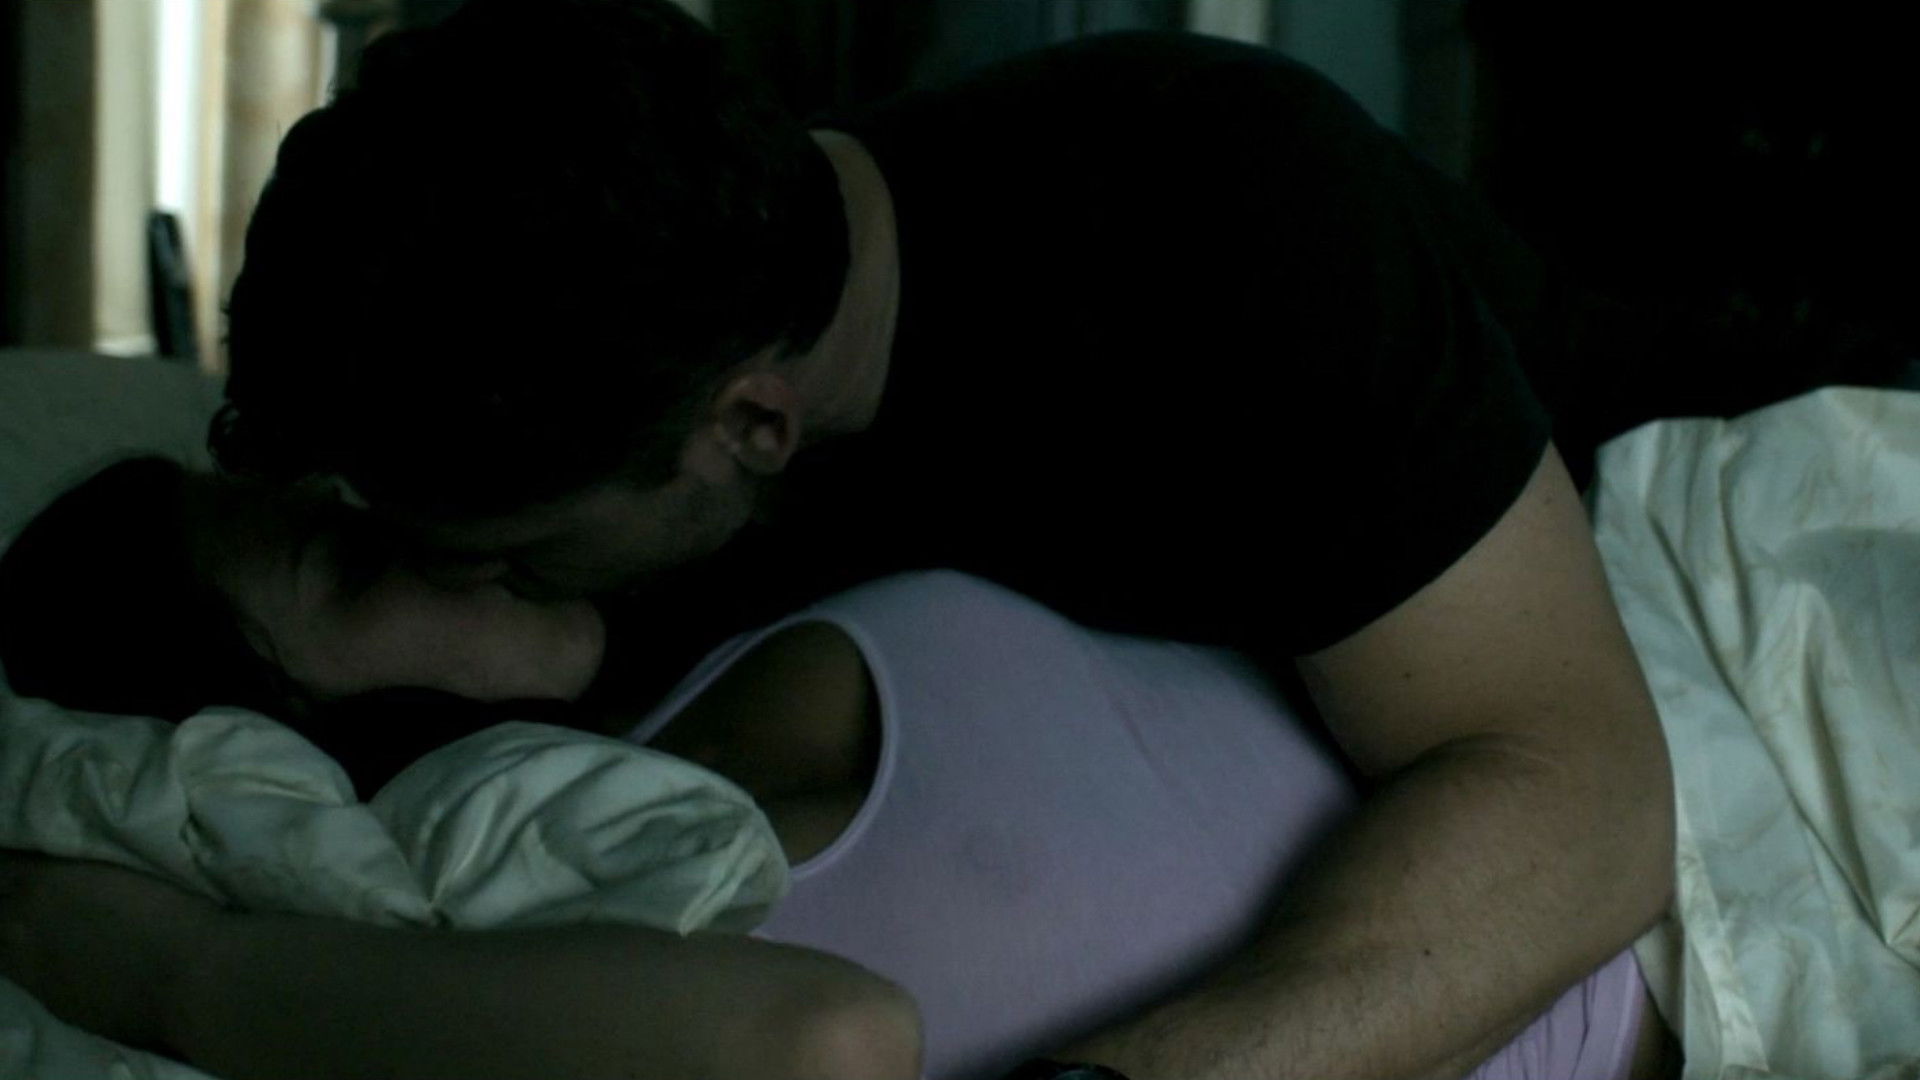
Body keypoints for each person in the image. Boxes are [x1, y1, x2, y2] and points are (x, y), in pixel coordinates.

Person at [24, 1, 1691, 1077]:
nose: (488, 583)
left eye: (520, 551)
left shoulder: (1224, 227)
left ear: (752, 424)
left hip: (1653, 574)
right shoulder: (612, 430)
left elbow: (1589, 799)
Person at [0, 459, 1682, 1080]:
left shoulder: (710, 610)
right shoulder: (501, 892)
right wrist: (183, 976)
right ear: (264, 739)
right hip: (1657, 948)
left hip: (1624, 726)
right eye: (345, 566)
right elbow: (818, 1047)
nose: (426, 529)